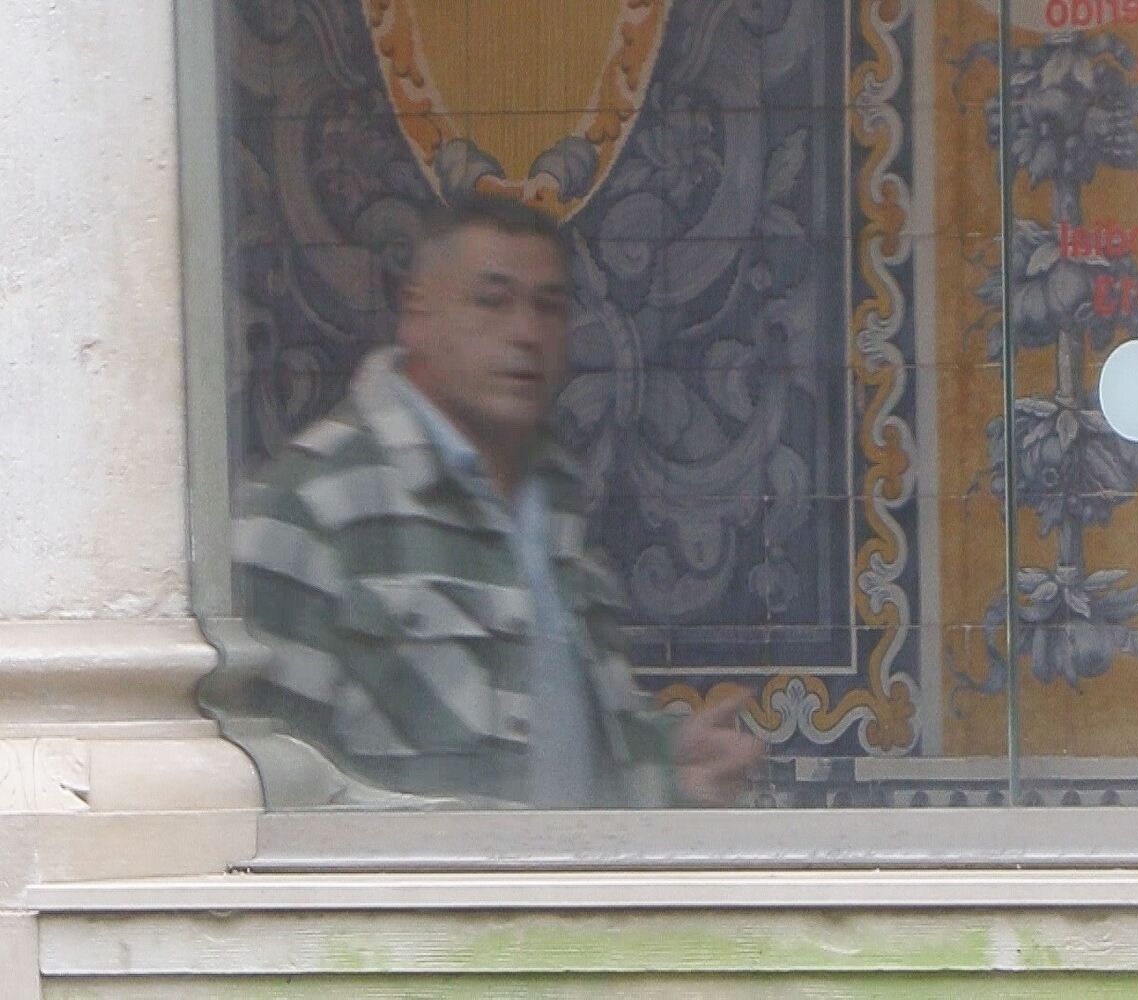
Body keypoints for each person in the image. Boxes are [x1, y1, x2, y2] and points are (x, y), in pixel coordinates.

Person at [203, 195, 765, 809]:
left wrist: (668, 766)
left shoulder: (555, 504)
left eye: (548, 307)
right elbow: (265, 792)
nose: (525, 333)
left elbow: (560, 771)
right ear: (416, 314)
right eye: (492, 302)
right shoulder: (311, 509)